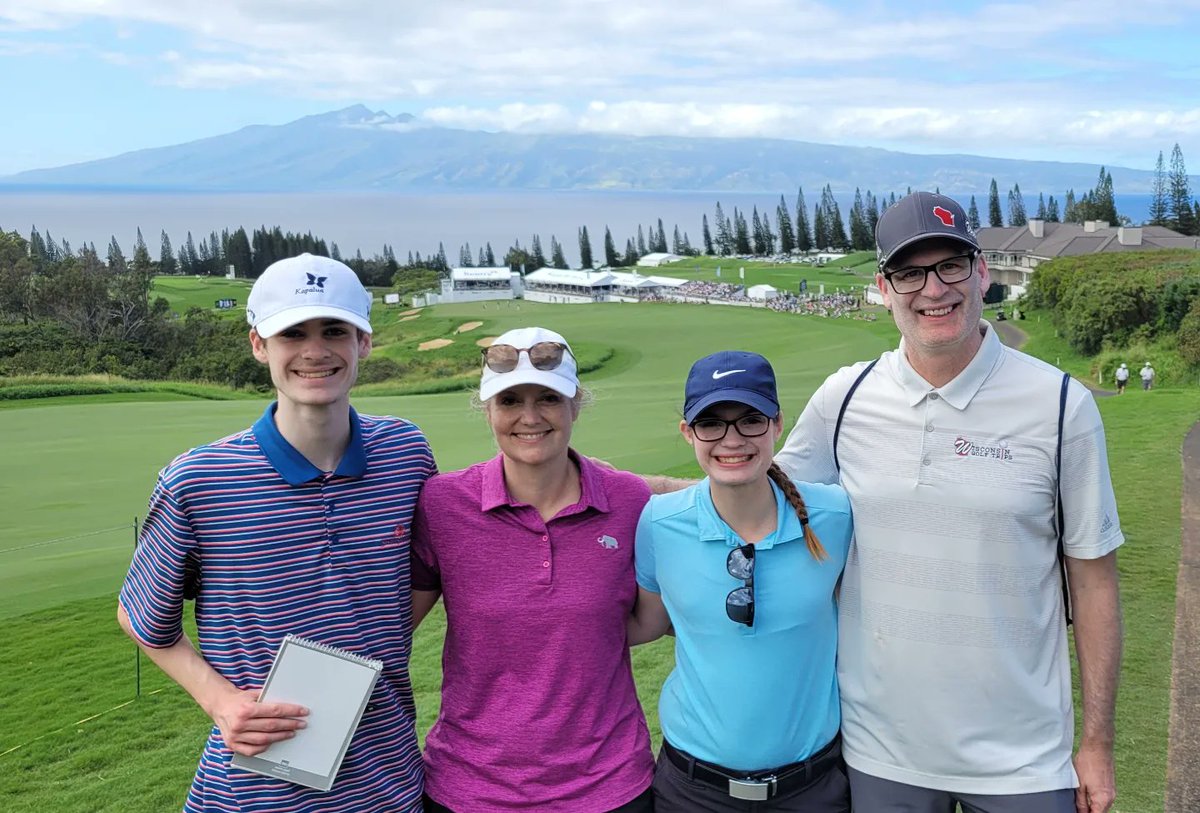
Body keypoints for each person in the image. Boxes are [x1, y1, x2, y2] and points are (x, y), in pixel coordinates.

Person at [775, 191, 1124, 813]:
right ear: (884, 289)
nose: (933, 289)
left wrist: (1097, 742)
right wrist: (615, 487)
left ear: (981, 273)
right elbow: (761, 495)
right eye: (910, 273)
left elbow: (1094, 582)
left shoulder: (1061, 405)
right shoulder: (844, 398)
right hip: (881, 751)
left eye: (950, 266)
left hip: (1024, 760)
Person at [118, 253, 433, 812]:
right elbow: (139, 615)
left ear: (363, 341)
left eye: (334, 330)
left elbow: (429, 570)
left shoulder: (406, 453)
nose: (315, 351)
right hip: (253, 794)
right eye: (292, 333)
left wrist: (365, 642)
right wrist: (220, 702)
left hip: (390, 787)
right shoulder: (198, 480)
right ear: (259, 345)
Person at [410, 326, 655, 813]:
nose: (529, 417)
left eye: (548, 398)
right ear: (487, 410)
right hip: (470, 788)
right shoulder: (442, 504)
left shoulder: (629, 500)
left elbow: (651, 622)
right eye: (509, 401)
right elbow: (386, 630)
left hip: (610, 786)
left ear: (575, 405)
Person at [629, 350, 853, 812]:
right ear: (688, 432)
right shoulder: (659, 523)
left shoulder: (834, 516)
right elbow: (647, 623)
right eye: (711, 424)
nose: (732, 440)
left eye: (750, 420)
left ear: (778, 425)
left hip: (811, 789)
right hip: (692, 791)